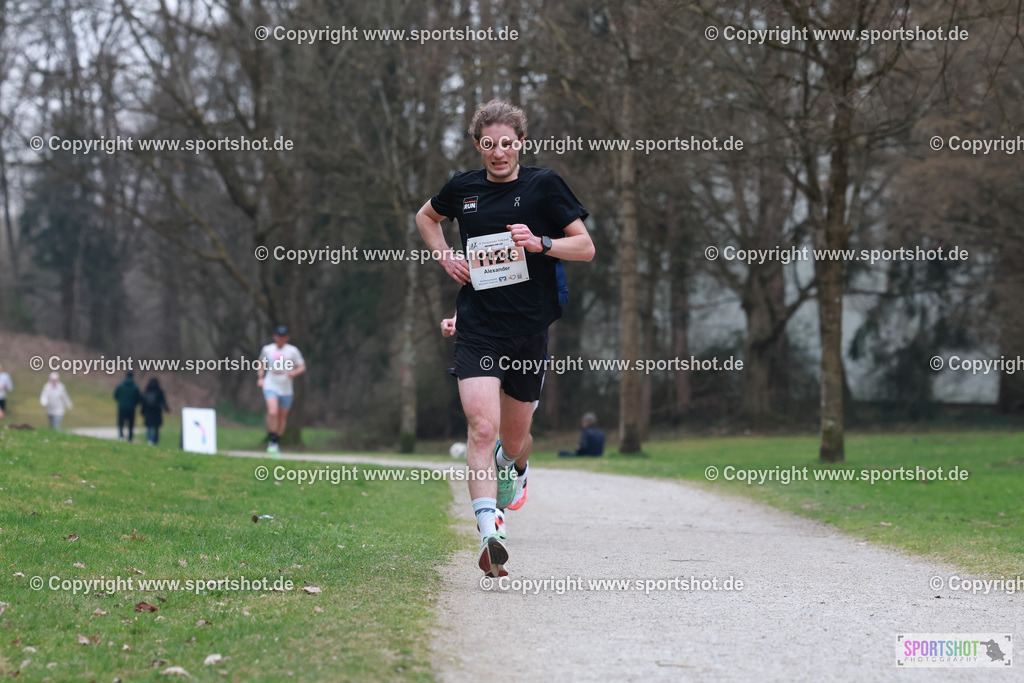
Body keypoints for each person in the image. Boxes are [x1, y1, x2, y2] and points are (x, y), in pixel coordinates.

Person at [417, 99, 594, 577]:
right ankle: (489, 530)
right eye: (489, 144)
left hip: (529, 332)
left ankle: (513, 465)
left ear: (521, 143)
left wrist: (541, 243)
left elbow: (586, 247)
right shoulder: (463, 188)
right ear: (478, 145)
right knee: (481, 427)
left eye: (507, 143)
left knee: (513, 441)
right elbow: (426, 218)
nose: (498, 153)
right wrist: (445, 256)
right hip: (478, 328)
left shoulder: (545, 185)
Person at [257, 325, 307, 456]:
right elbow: (261, 363)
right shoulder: (267, 349)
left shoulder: (293, 351)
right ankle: (272, 440)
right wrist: (260, 378)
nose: (281, 339)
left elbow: (302, 366)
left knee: (282, 416)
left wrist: (294, 373)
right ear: (275, 337)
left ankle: (276, 442)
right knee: (272, 411)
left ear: (287, 338)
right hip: (271, 382)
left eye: (283, 337)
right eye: (279, 336)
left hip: (285, 385)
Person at [140, 378, 170, 445]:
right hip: (156, 411)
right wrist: (167, 409)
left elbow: (143, 402)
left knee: (149, 426)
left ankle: (149, 439)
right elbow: (163, 401)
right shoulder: (159, 391)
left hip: (148, 411)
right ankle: (155, 441)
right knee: (156, 427)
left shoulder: (146, 391)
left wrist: (142, 410)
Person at [114, 371, 141, 442]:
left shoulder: (120, 386)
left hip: (122, 407)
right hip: (131, 408)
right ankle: (130, 437)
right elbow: (138, 398)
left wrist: (121, 401)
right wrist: (134, 404)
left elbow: (116, 396)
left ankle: (121, 436)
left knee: (121, 422)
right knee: (131, 423)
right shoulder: (135, 387)